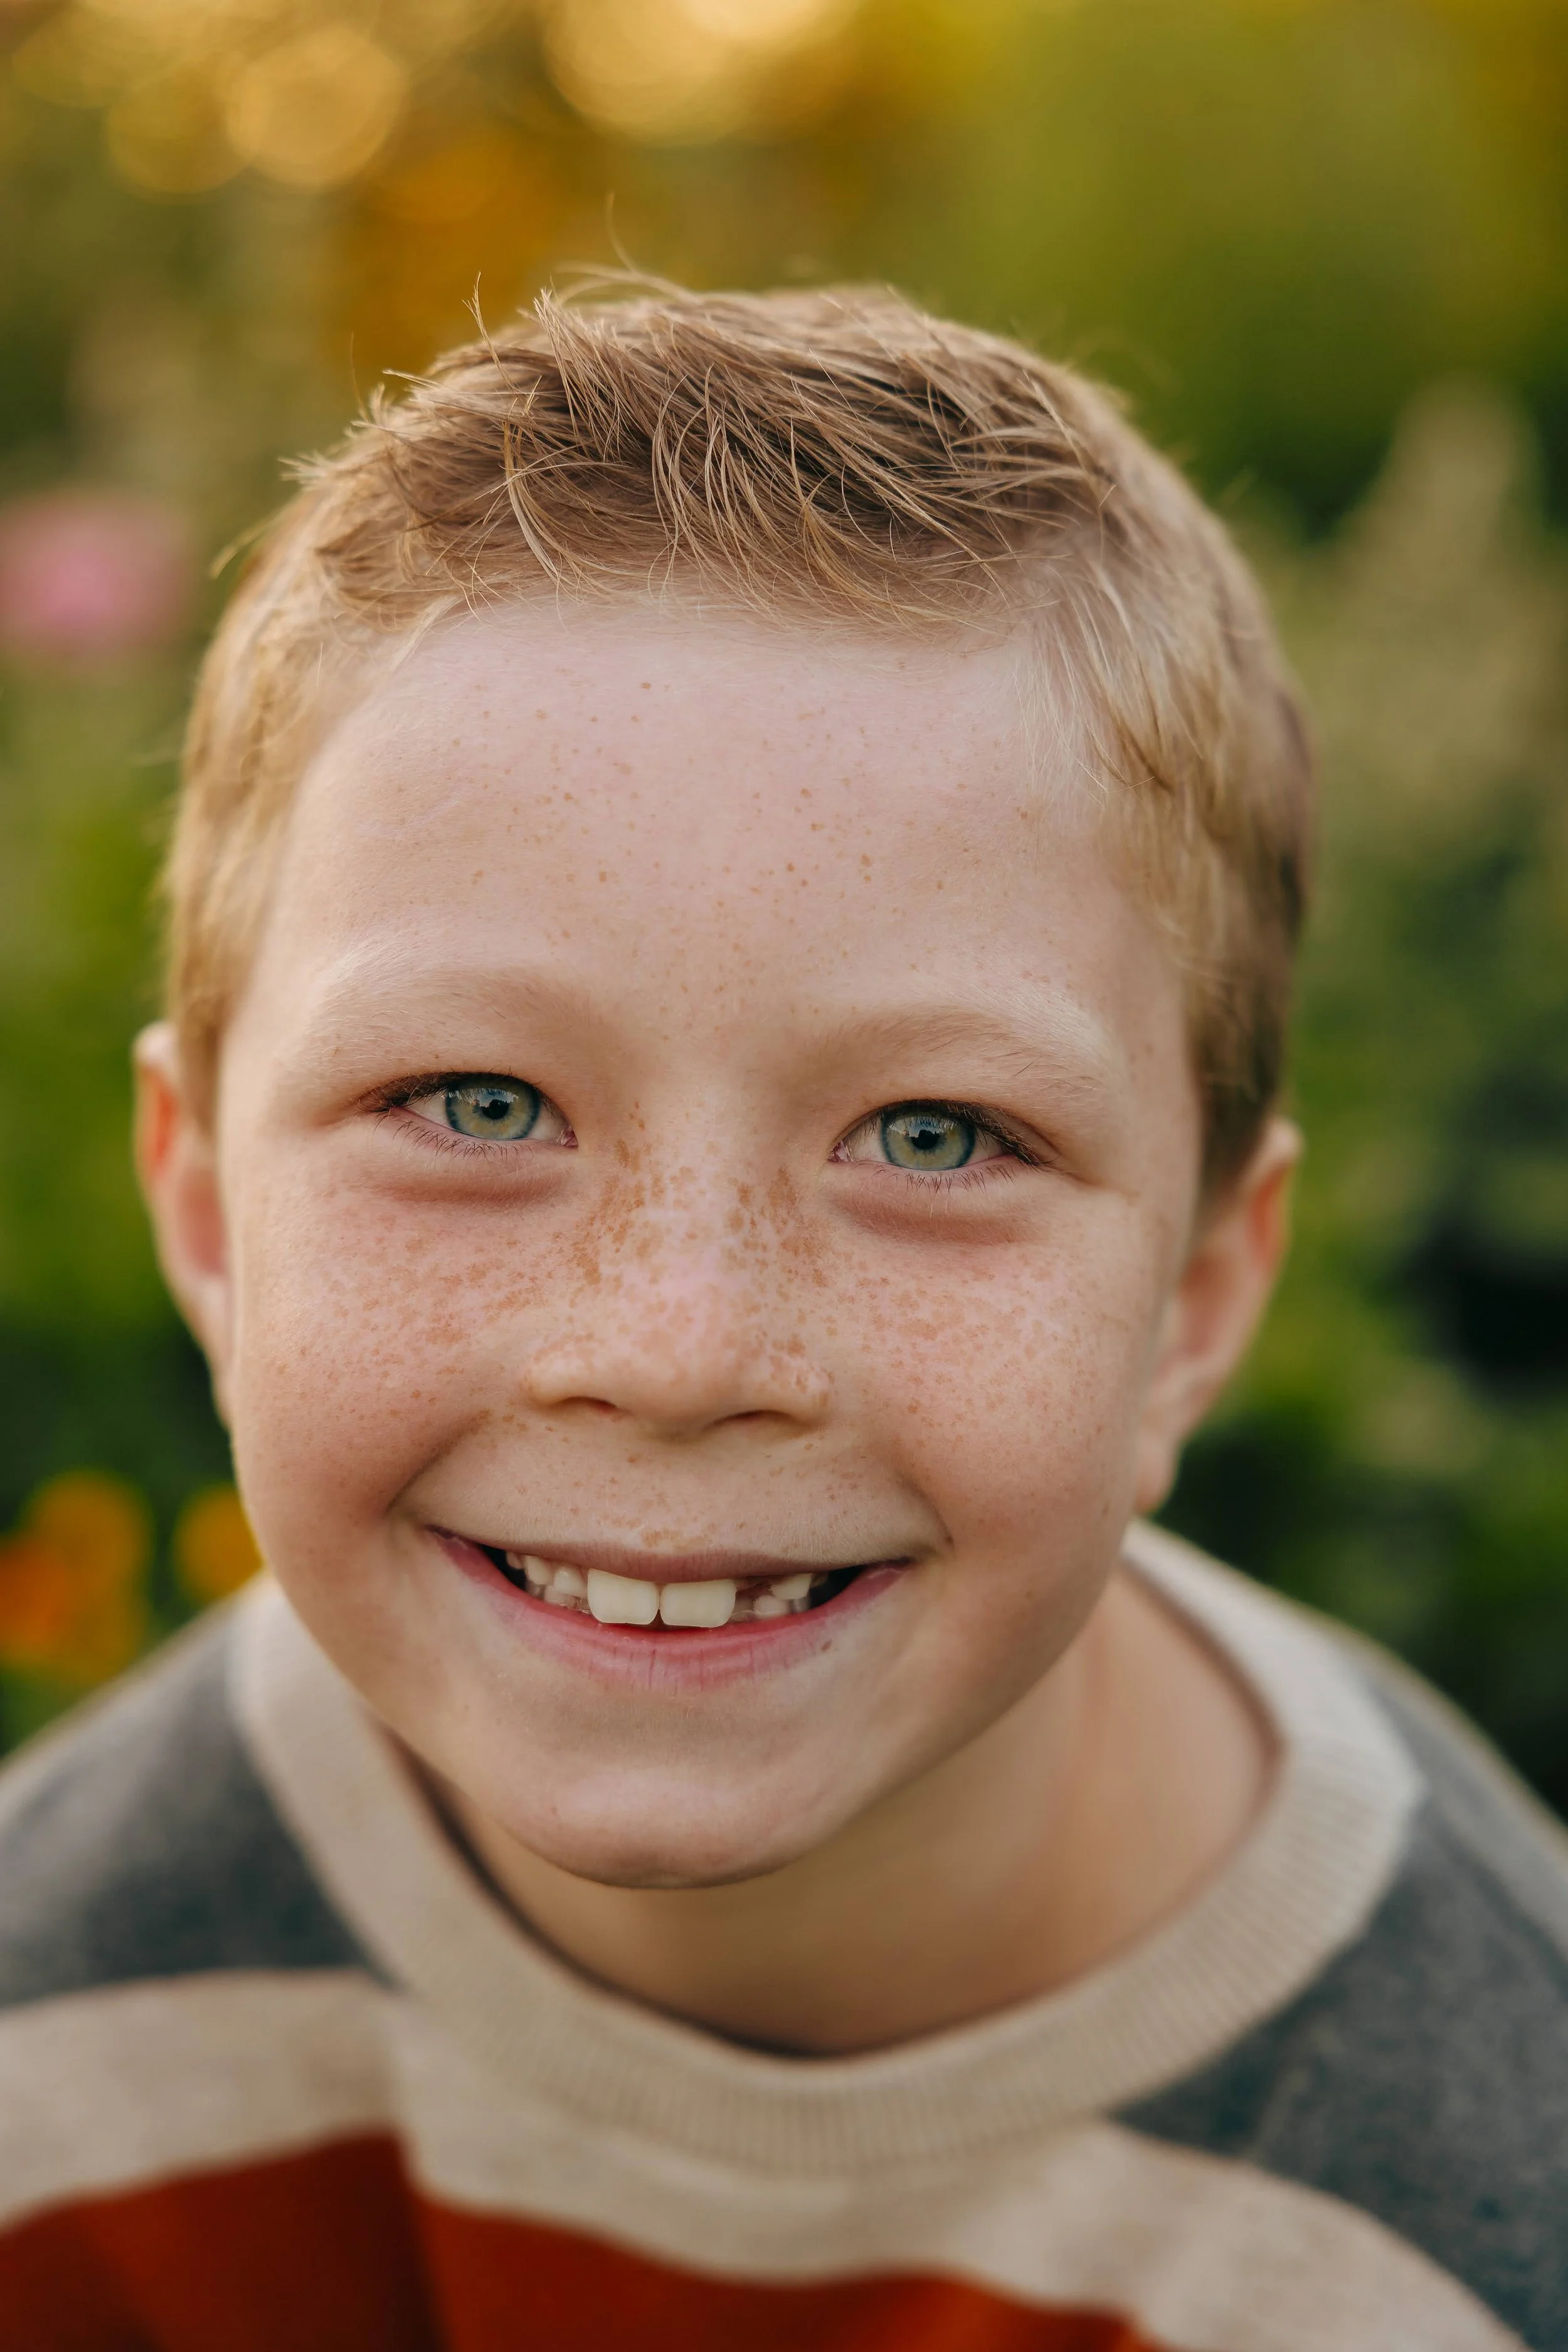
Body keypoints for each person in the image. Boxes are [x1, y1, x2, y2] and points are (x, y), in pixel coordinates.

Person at [0, 282, 1563, 2352]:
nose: (680, 1345)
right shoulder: (58, 2049)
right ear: (204, 1211)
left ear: (1197, 1295)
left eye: (931, 1131)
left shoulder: (1471, 2211)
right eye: (476, 1105)